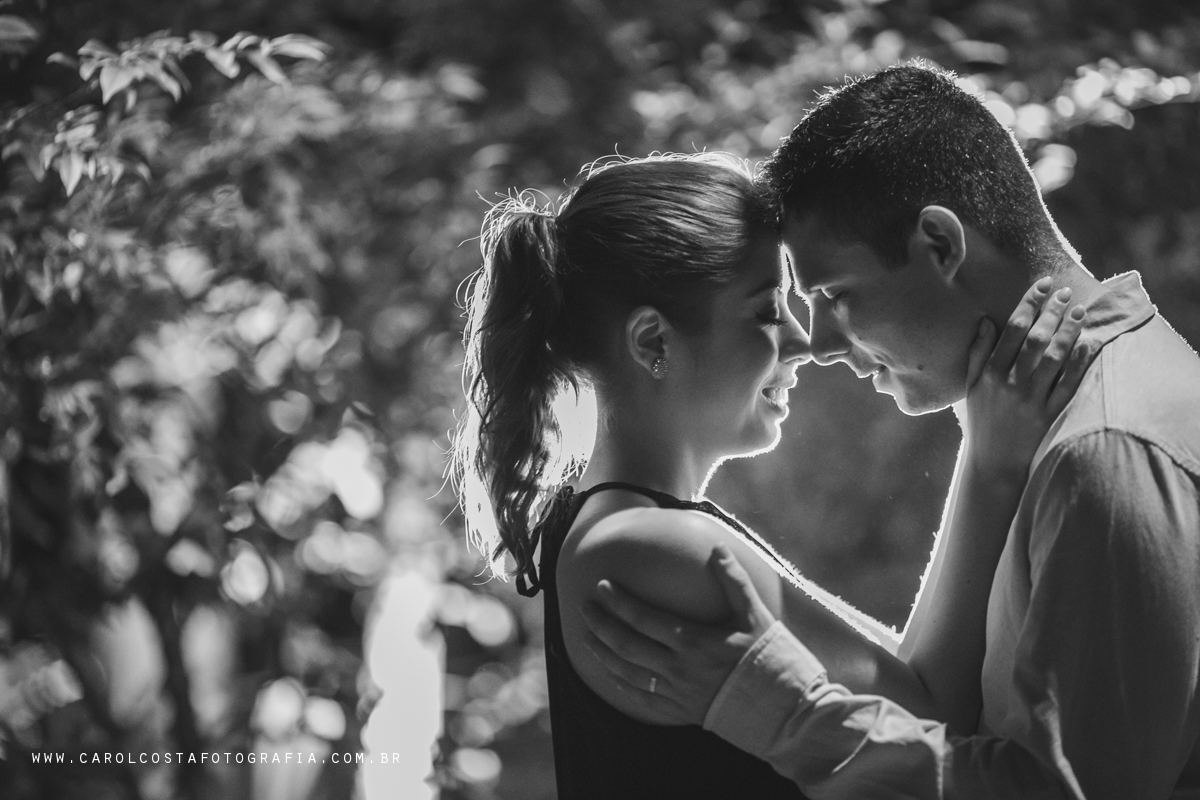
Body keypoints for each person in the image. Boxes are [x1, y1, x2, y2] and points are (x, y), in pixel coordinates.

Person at [580, 65, 1200, 798]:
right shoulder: (1064, 421)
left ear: (939, 244)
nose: (821, 344)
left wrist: (784, 715)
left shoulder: (1099, 452)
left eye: (836, 296)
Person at [452, 151, 1088, 799]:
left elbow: (909, 675)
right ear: (652, 344)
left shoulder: (623, 528)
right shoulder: (656, 549)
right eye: (766, 309)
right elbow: (936, 710)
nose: (803, 340)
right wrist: (989, 462)